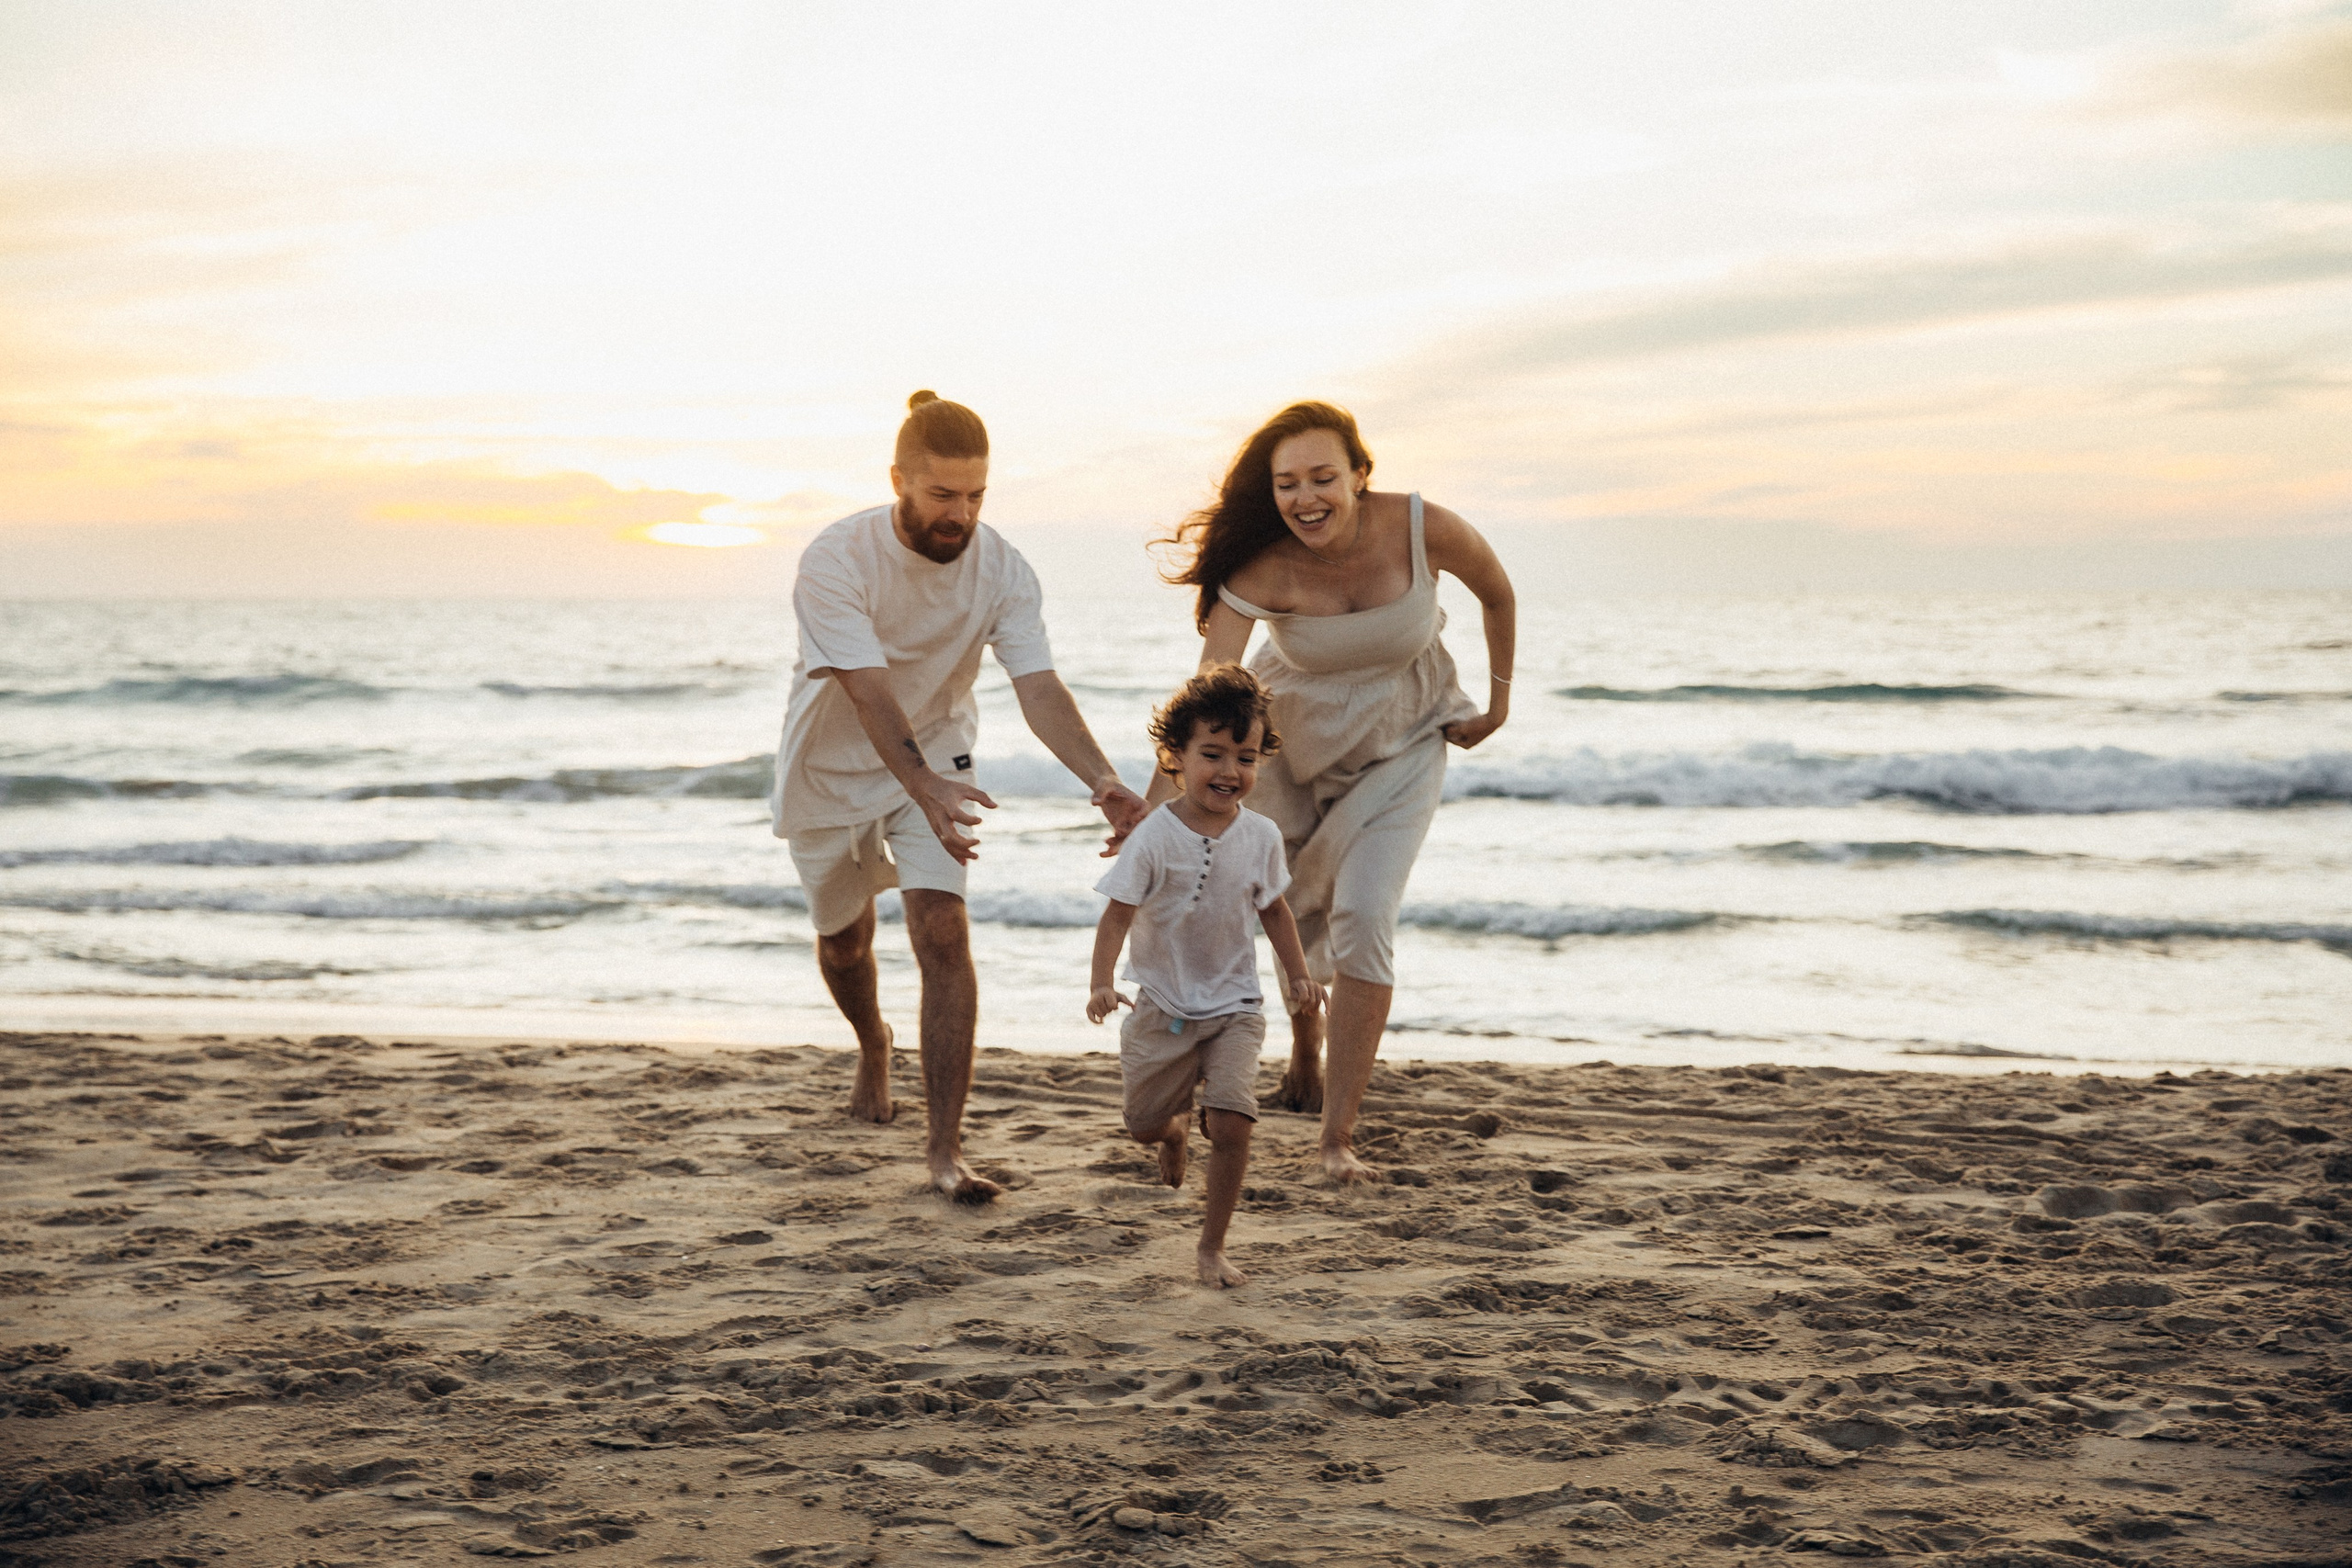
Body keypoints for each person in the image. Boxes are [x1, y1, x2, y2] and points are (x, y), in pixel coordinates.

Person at [772, 390, 1148, 1202]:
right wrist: (921, 783)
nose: (962, 513)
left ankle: (945, 1151)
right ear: (899, 478)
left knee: (942, 931)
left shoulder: (1003, 568)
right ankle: (873, 1042)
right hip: (832, 766)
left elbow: (1039, 687)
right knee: (843, 941)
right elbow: (869, 693)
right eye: (943, 494)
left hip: (938, 753)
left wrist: (1104, 779)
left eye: (977, 494)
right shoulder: (837, 557)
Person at [1152, 400, 1516, 1184]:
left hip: (1406, 738)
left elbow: (1497, 593)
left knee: (1361, 911)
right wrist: (1159, 807)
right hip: (1290, 744)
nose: (1305, 497)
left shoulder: (1425, 528)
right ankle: (1302, 1040)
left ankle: (1336, 1136)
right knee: (1269, 901)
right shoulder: (1262, 564)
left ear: (1360, 474)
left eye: (1323, 476)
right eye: (1288, 483)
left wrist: (1499, 701)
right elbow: (1208, 688)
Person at [1087, 665, 1323, 1286]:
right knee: (1139, 1123)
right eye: (1212, 753)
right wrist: (1103, 981)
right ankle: (1171, 1133)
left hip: (1234, 1004)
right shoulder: (1152, 836)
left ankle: (1211, 1247)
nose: (1229, 771)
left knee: (1232, 1120)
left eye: (1245, 757)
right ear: (1175, 757)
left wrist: (1298, 978)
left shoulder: (1261, 836)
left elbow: (1274, 909)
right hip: (1161, 1003)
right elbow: (1117, 914)